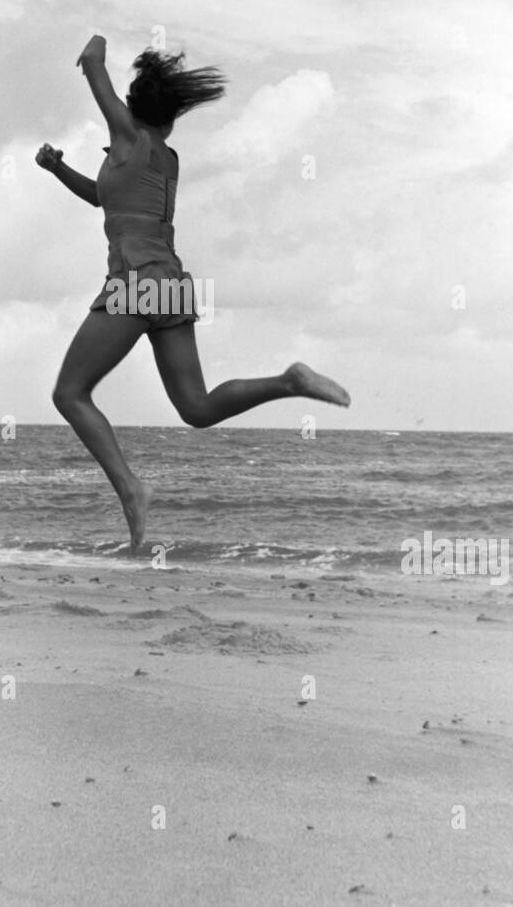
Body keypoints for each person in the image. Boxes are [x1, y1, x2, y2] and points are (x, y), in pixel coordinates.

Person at [36, 34, 350, 551]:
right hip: (173, 288)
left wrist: (96, 40)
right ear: (170, 118)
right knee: (197, 409)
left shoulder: (129, 138)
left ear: (133, 111)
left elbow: (93, 62)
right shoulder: (165, 158)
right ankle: (288, 380)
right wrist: (58, 169)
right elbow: (103, 198)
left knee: (69, 394)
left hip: (136, 282)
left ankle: (131, 490)